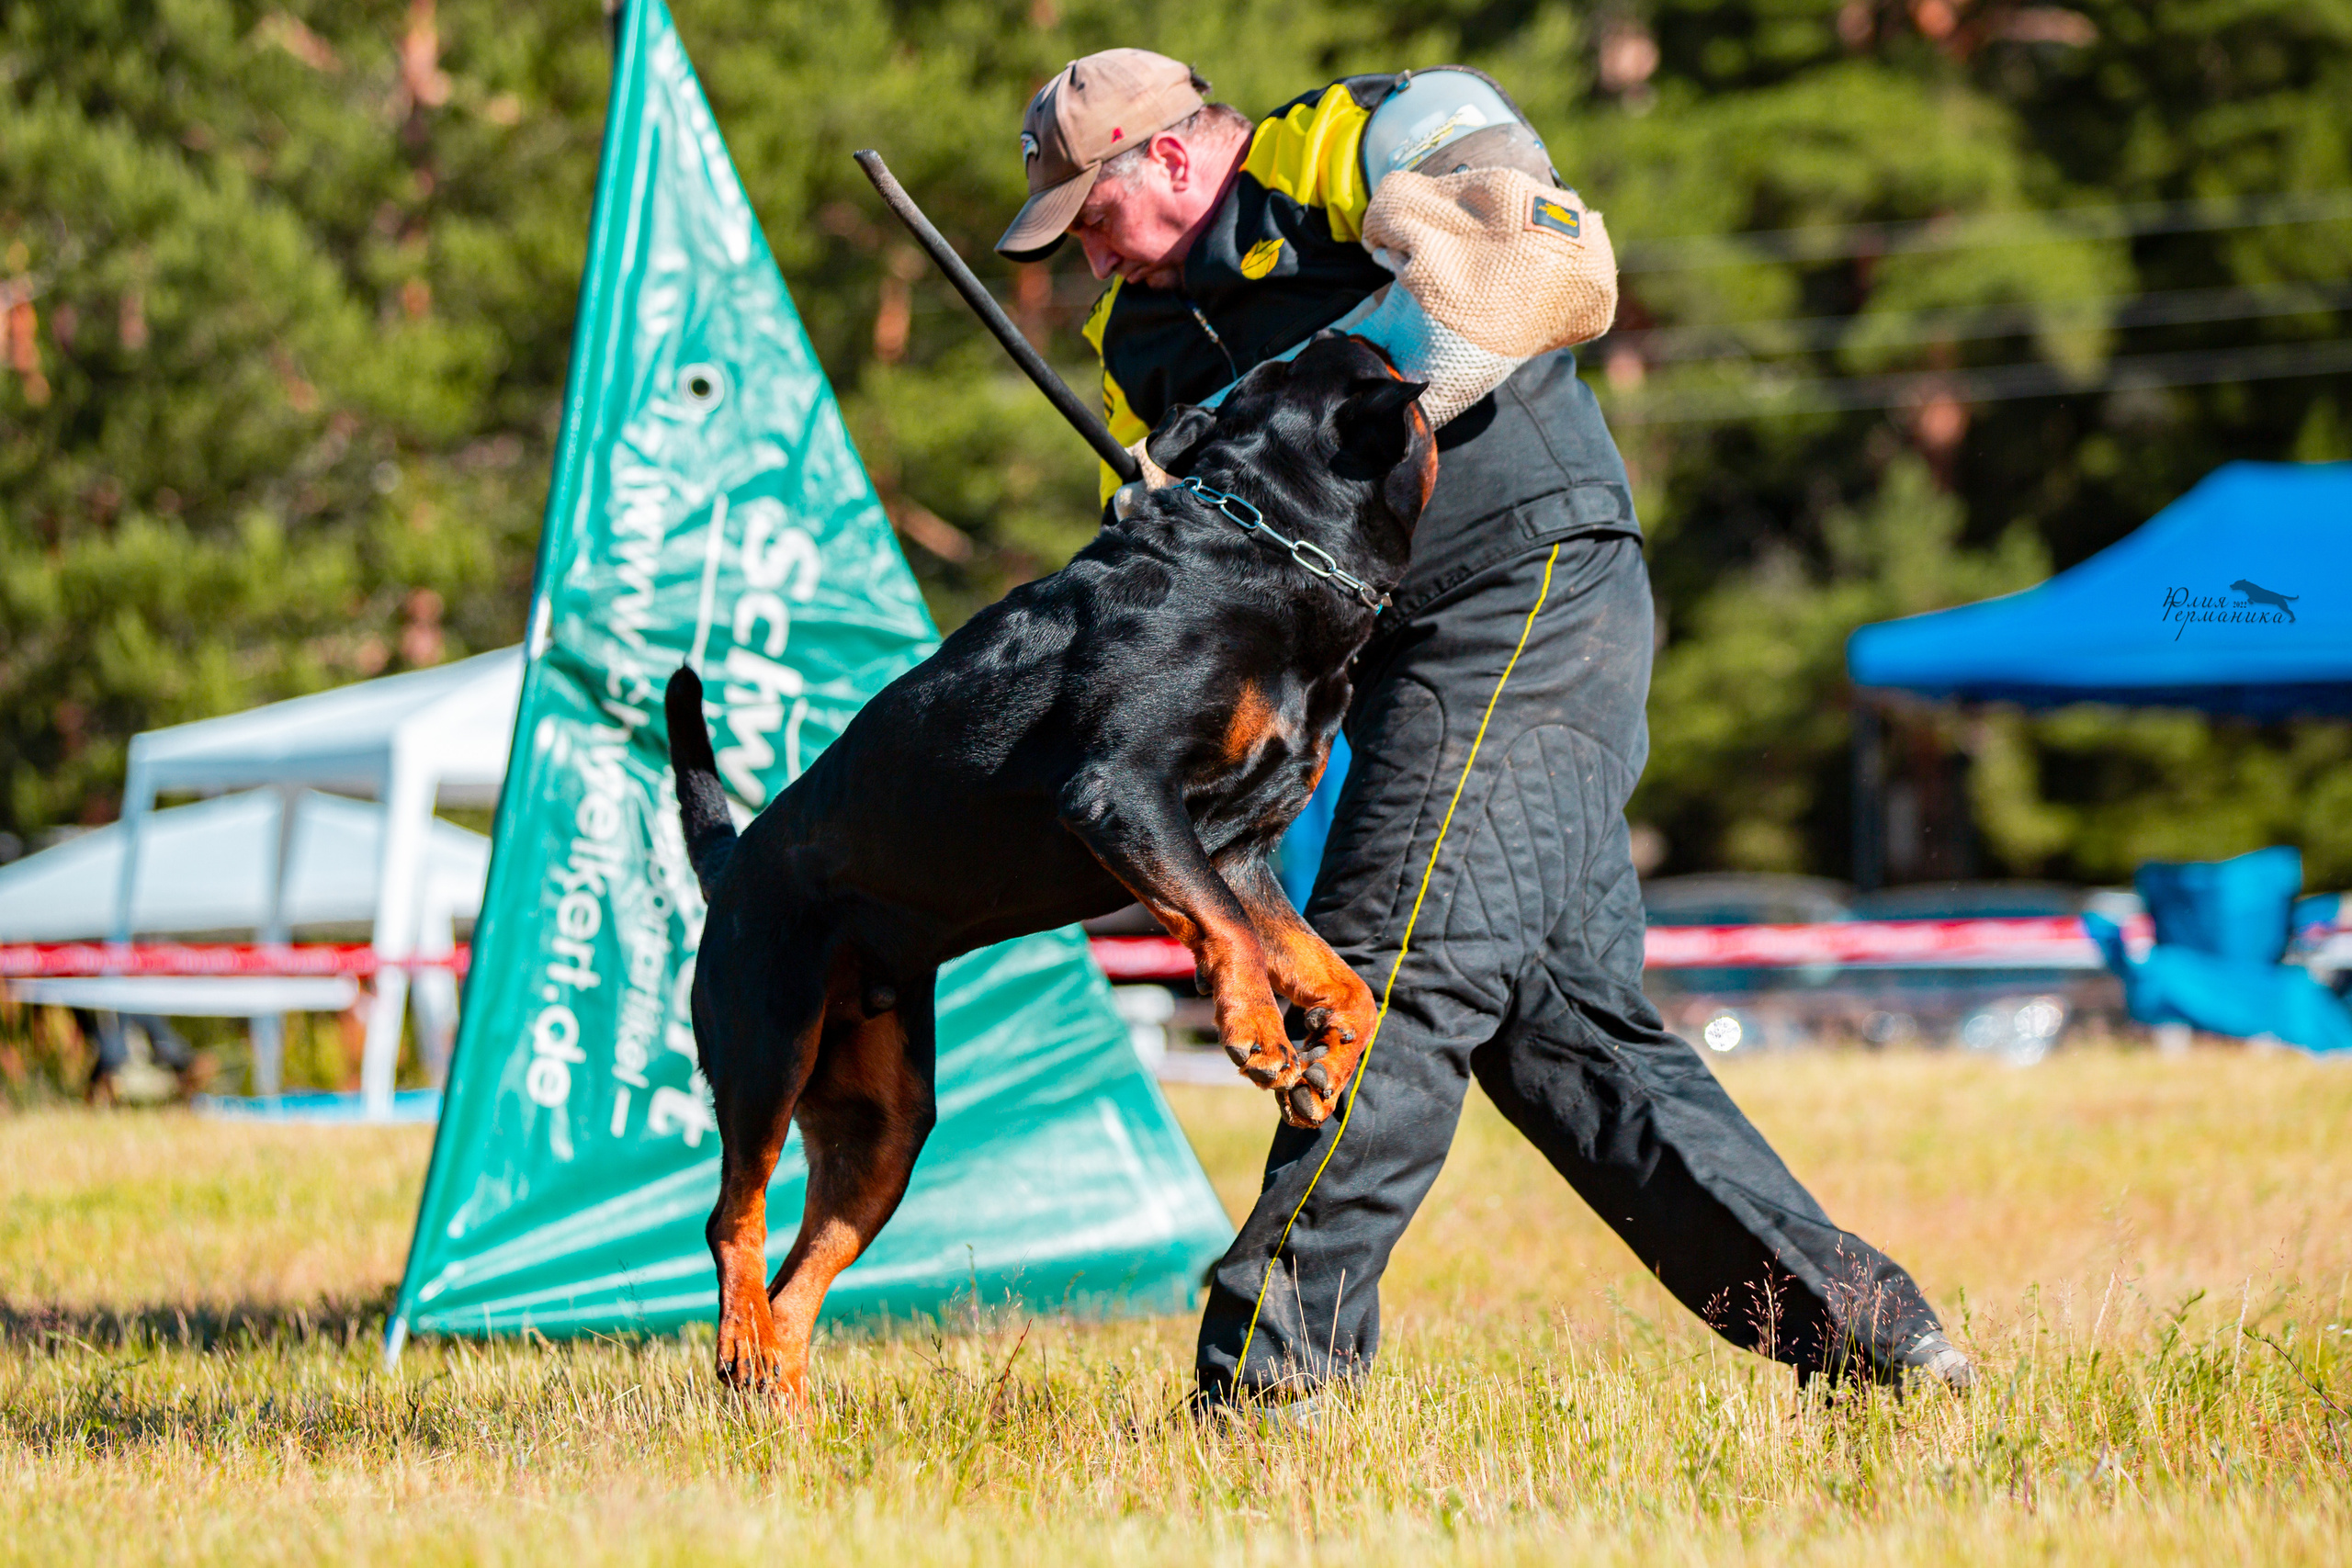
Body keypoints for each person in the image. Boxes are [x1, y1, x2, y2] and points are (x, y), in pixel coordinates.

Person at [996, 50, 1973, 1408]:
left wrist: (1377, 359)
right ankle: (1881, 1344)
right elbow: (1185, 576)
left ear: (1166, 156)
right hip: (1388, 659)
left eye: (1090, 221)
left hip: (1529, 586)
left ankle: (1271, 1382)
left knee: (1387, 978)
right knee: (1565, 1040)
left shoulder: (1340, 142)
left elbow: (1542, 256)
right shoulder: (1130, 349)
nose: (1091, 266)